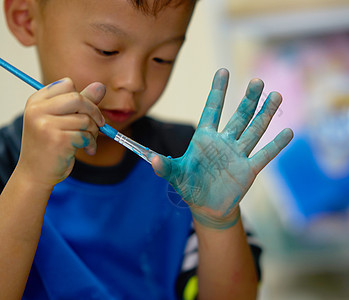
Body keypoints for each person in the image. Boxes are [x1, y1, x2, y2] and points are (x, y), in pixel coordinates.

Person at [0, 0, 294, 299]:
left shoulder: (188, 162)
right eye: (107, 49)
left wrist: (216, 221)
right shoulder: (5, 164)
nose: (134, 82)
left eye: (162, 58)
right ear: (25, 19)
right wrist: (30, 179)